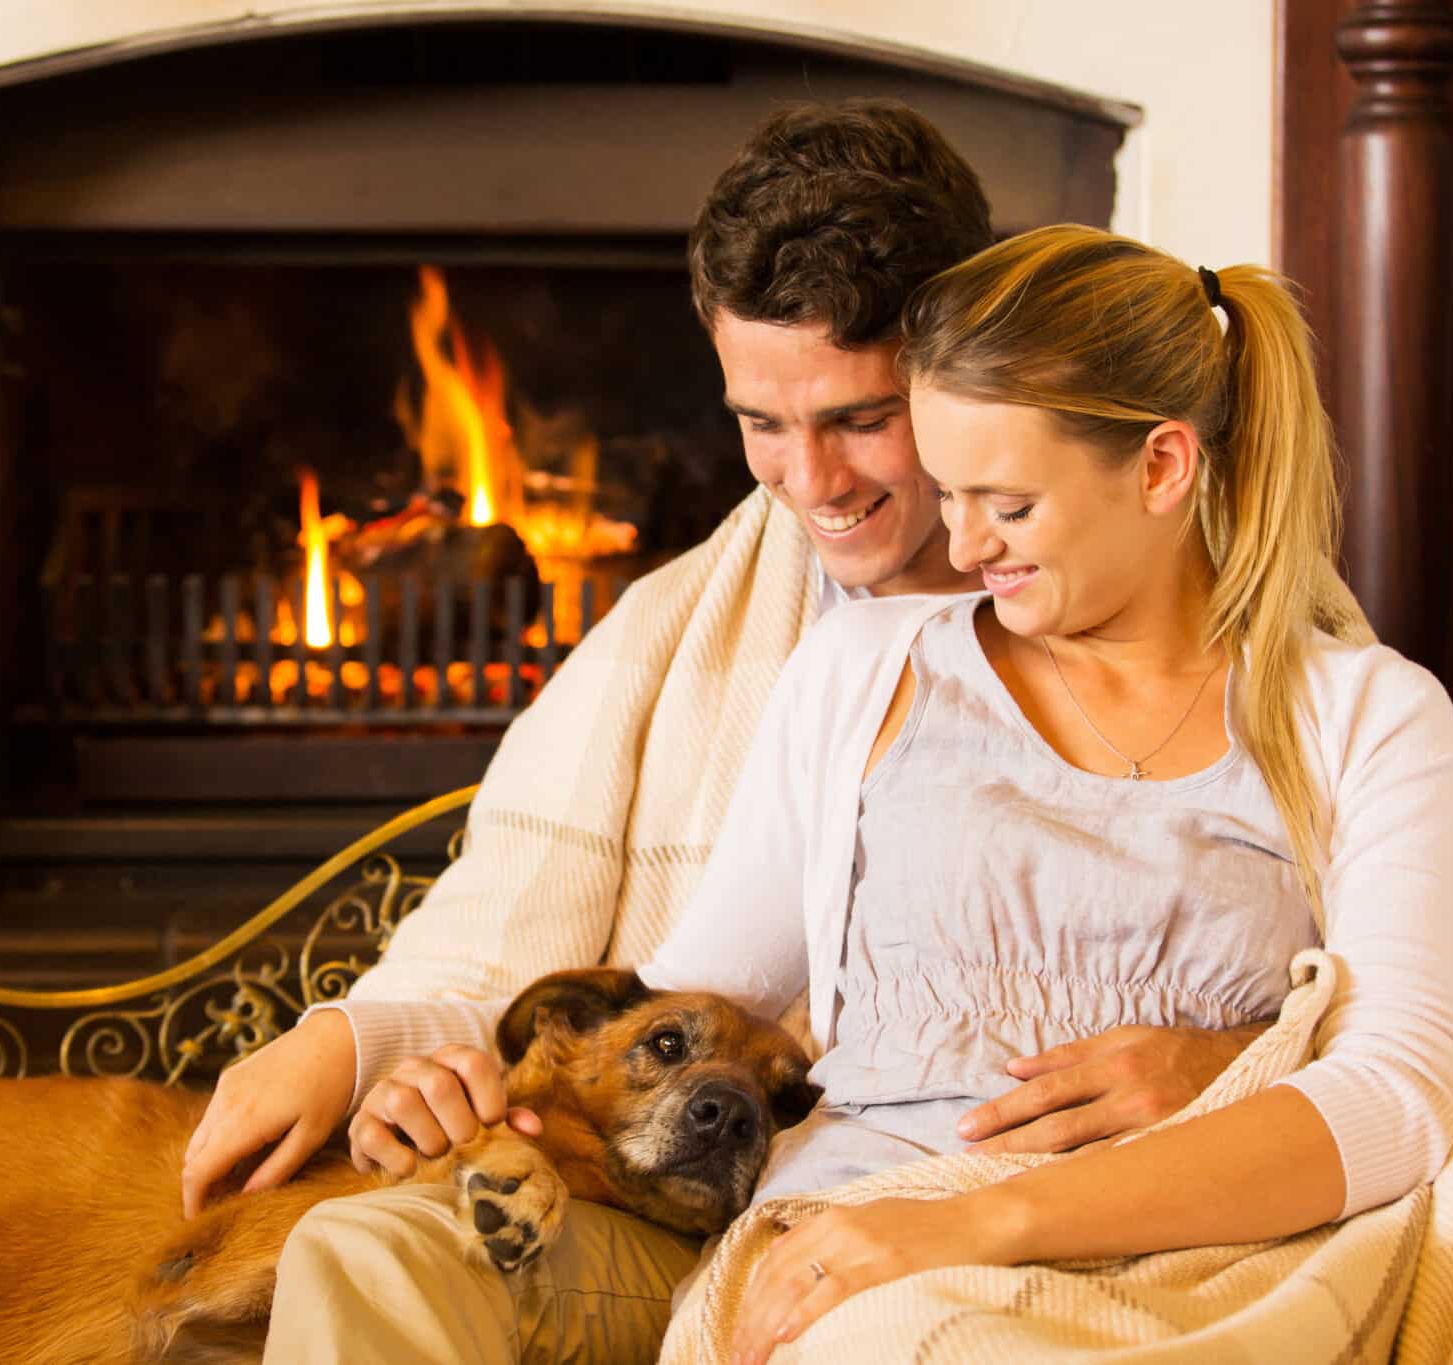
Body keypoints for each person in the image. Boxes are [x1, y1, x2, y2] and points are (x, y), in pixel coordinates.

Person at [182, 105, 1266, 1362]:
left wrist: (1220, 1060)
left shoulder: (1217, 631)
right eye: (761, 423)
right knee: (374, 1249)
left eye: (863, 419)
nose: (812, 484)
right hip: (692, 1191)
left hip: (999, 1201)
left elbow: (1402, 996)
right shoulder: (697, 632)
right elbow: (574, 960)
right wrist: (360, 1043)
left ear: (969, 371)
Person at [638, 225, 1453, 1362]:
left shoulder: (1367, 711)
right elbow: (684, 1004)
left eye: (1009, 505)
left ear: (1162, 466)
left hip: (1218, 1252)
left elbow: (1399, 1092)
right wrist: (410, 1051)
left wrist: (981, 1224)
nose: (963, 539)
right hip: (876, 1248)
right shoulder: (862, 667)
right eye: (946, 491)